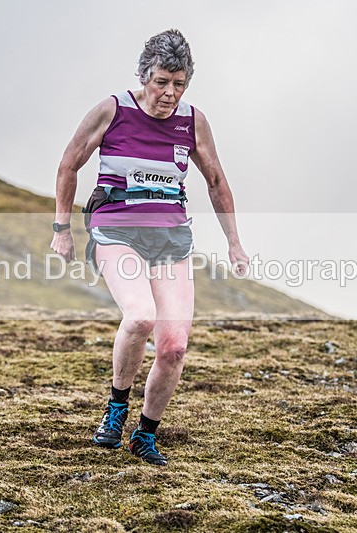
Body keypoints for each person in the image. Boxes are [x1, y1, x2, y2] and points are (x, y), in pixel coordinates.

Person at [50, 29, 249, 466]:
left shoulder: (193, 122)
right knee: (141, 316)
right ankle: (116, 408)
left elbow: (216, 181)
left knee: (174, 346)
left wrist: (234, 242)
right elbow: (69, 163)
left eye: (179, 84)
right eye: (161, 82)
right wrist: (62, 228)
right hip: (116, 230)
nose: (169, 93)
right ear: (144, 76)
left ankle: (145, 434)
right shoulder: (113, 110)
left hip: (170, 239)